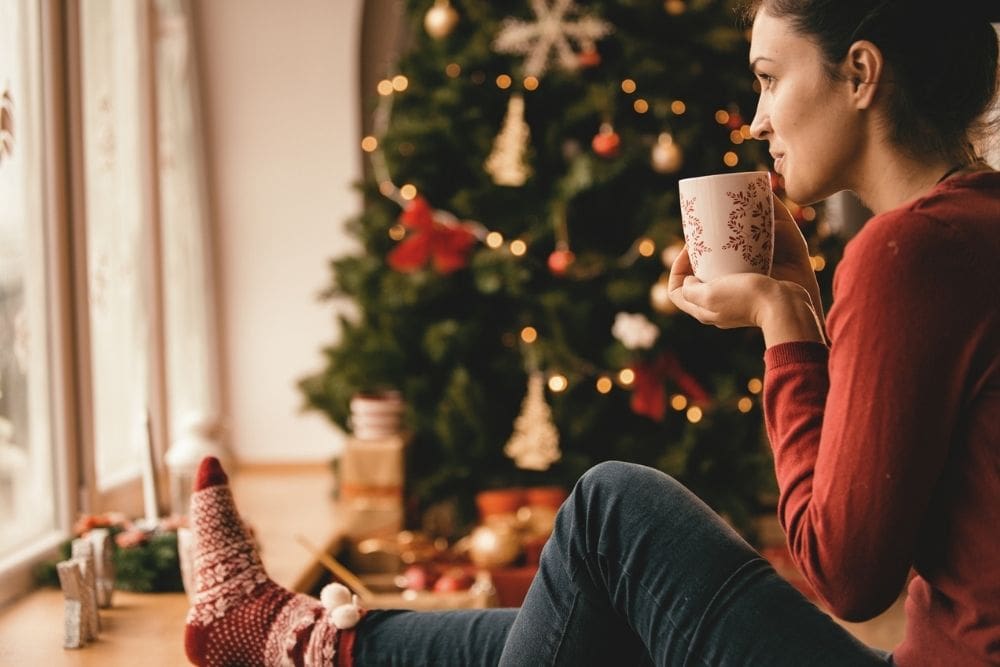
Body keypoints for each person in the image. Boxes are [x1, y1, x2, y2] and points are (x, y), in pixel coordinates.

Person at [182, 1, 999, 665]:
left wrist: (785, 323)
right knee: (595, 609)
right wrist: (804, 301)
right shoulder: (972, 226)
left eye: (769, 80)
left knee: (611, 508)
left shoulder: (910, 251)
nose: (755, 121)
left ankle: (294, 638)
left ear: (859, 73)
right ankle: (302, 636)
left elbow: (848, 572)